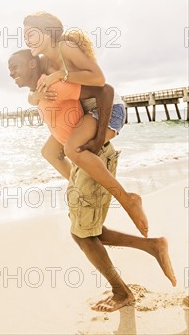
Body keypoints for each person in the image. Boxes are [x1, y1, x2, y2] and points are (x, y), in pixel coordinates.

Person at [8, 49, 176, 312]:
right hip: (82, 163)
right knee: (89, 232)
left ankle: (122, 292)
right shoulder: (40, 89)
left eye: (15, 66)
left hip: (92, 157)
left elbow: (104, 90)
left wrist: (97, 140)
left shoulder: (55, 85)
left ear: (32, 64)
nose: (11, 73)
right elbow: (39, 110)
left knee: (83, 235)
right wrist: (74, 179)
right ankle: (153, 246)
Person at [23, 12, 148, 237]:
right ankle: (79, 184)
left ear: (47, 32)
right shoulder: (41, 62)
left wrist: (62, 75)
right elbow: (32, 94)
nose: (26, 39)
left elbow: (100, 81)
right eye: (24, 34)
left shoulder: (65, 48)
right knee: (50, 151)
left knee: (72, 149)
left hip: (108, 109)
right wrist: (34, 98)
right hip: (83, 113)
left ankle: (127, 199)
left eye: (30, 33)